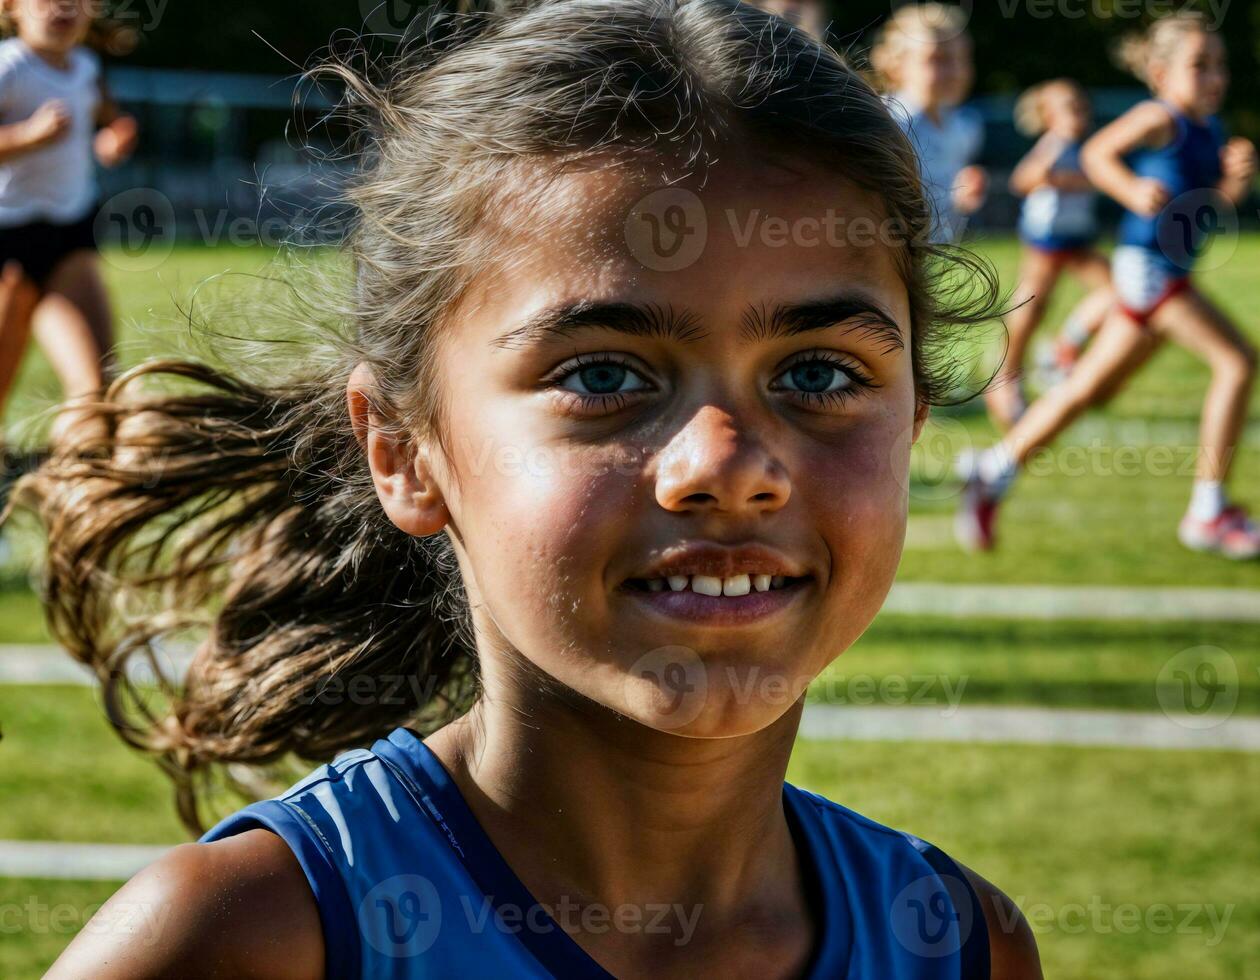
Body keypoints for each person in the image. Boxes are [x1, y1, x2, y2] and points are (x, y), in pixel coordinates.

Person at [23, 2, 1040, 976]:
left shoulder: (955, 944)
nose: (728, 462)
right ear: (402, 450)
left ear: (913, 417)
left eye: (819, 373)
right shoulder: (253, 939)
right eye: (602, 374)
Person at [956, 12, 1258, 559]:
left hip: (1165, 271)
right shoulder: (1157, 116)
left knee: (1089, 391)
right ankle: (1208, 511)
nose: (1215, 78)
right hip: (1149, 270)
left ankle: (991, 470)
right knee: (1237, 362)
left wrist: (1234, 183)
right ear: (1162, 74)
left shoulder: (1209, 129)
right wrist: (1129, 186)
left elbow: (1210, 210)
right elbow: (1098, 155)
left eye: (1220, 66)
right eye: (1200, 66)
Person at [0, 0, 137, 452]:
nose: (61, 7)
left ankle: (78, 481)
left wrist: (113, 135)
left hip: (71, 231)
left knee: (97, 386)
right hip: (10, 238)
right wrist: (27, 137)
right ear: (11, 7)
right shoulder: (9, 66)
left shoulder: (86, 66)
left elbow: (105, 113)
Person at [985, 79, 1112, 430]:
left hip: (1076, 237)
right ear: (1049, 116)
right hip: (1048, 237)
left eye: (1082, 107)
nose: (1079, 115)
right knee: (1031, 305)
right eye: (1069, 108)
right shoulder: (1053, 145)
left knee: (1117, 292)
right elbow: (1022, 179)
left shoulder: (1081, 145)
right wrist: (1063, 179)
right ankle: (1005, 378)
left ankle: (1062, 347)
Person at [871, 2, 987, 244]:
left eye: (962, 58)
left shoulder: (965, 126)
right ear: (897, 64)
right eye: (937, 59)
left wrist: (965, 191)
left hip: (938, 255)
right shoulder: (884, 122)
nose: (956, 71)